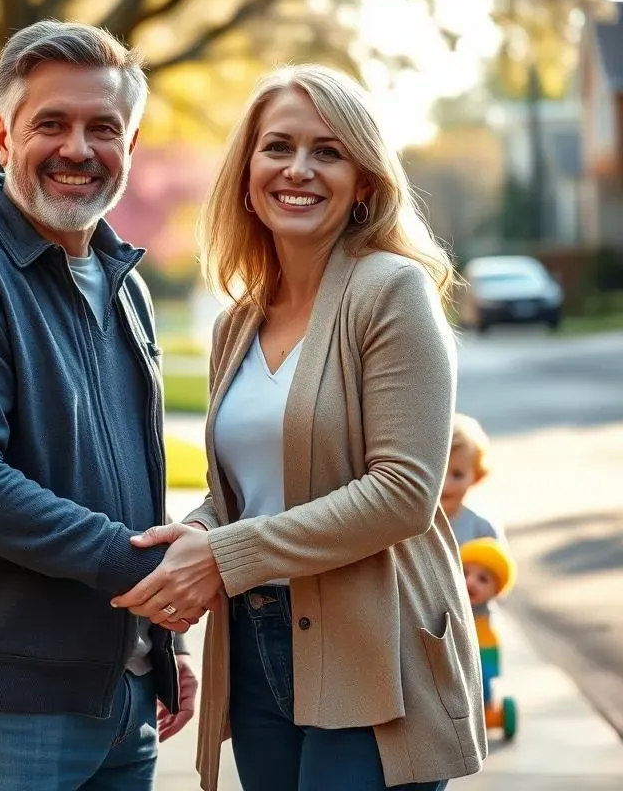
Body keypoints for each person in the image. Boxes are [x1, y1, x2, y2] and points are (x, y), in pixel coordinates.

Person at [112, 65, 486, 790]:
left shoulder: (392, 292)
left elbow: (404, 493)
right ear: (248, 172)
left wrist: (222, 555)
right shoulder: (238, 322)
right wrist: (185, 542)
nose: (299, 169)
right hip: (253, 648)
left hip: (374, 648)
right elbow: (243, 494)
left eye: (328, 151)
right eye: (277, 147)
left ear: (365, 182)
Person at [0, 20, 197, 791]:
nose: (77, 148)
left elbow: (129, 477)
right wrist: (140, 568)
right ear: (2, 135)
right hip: (4, 707)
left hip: (122, 699)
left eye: (104, 127)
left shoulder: (127, 286)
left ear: (130, 143)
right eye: (49, 123)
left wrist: (163, 639)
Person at [460, 537, 518, 736]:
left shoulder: (487, 612)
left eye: (482, 579)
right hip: (458, 657)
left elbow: (490, 641)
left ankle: (488, 711)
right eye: (465, 573)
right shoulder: (451, 603)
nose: (470, 582)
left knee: (484, 685)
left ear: (496, 590)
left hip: (482, 654)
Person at [442, 413, 504, 546]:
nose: (445, 485)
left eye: (457, 475)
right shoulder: (410, 523)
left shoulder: (483, 529)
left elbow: (500, 564)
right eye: (440, 474)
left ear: (476, 475)